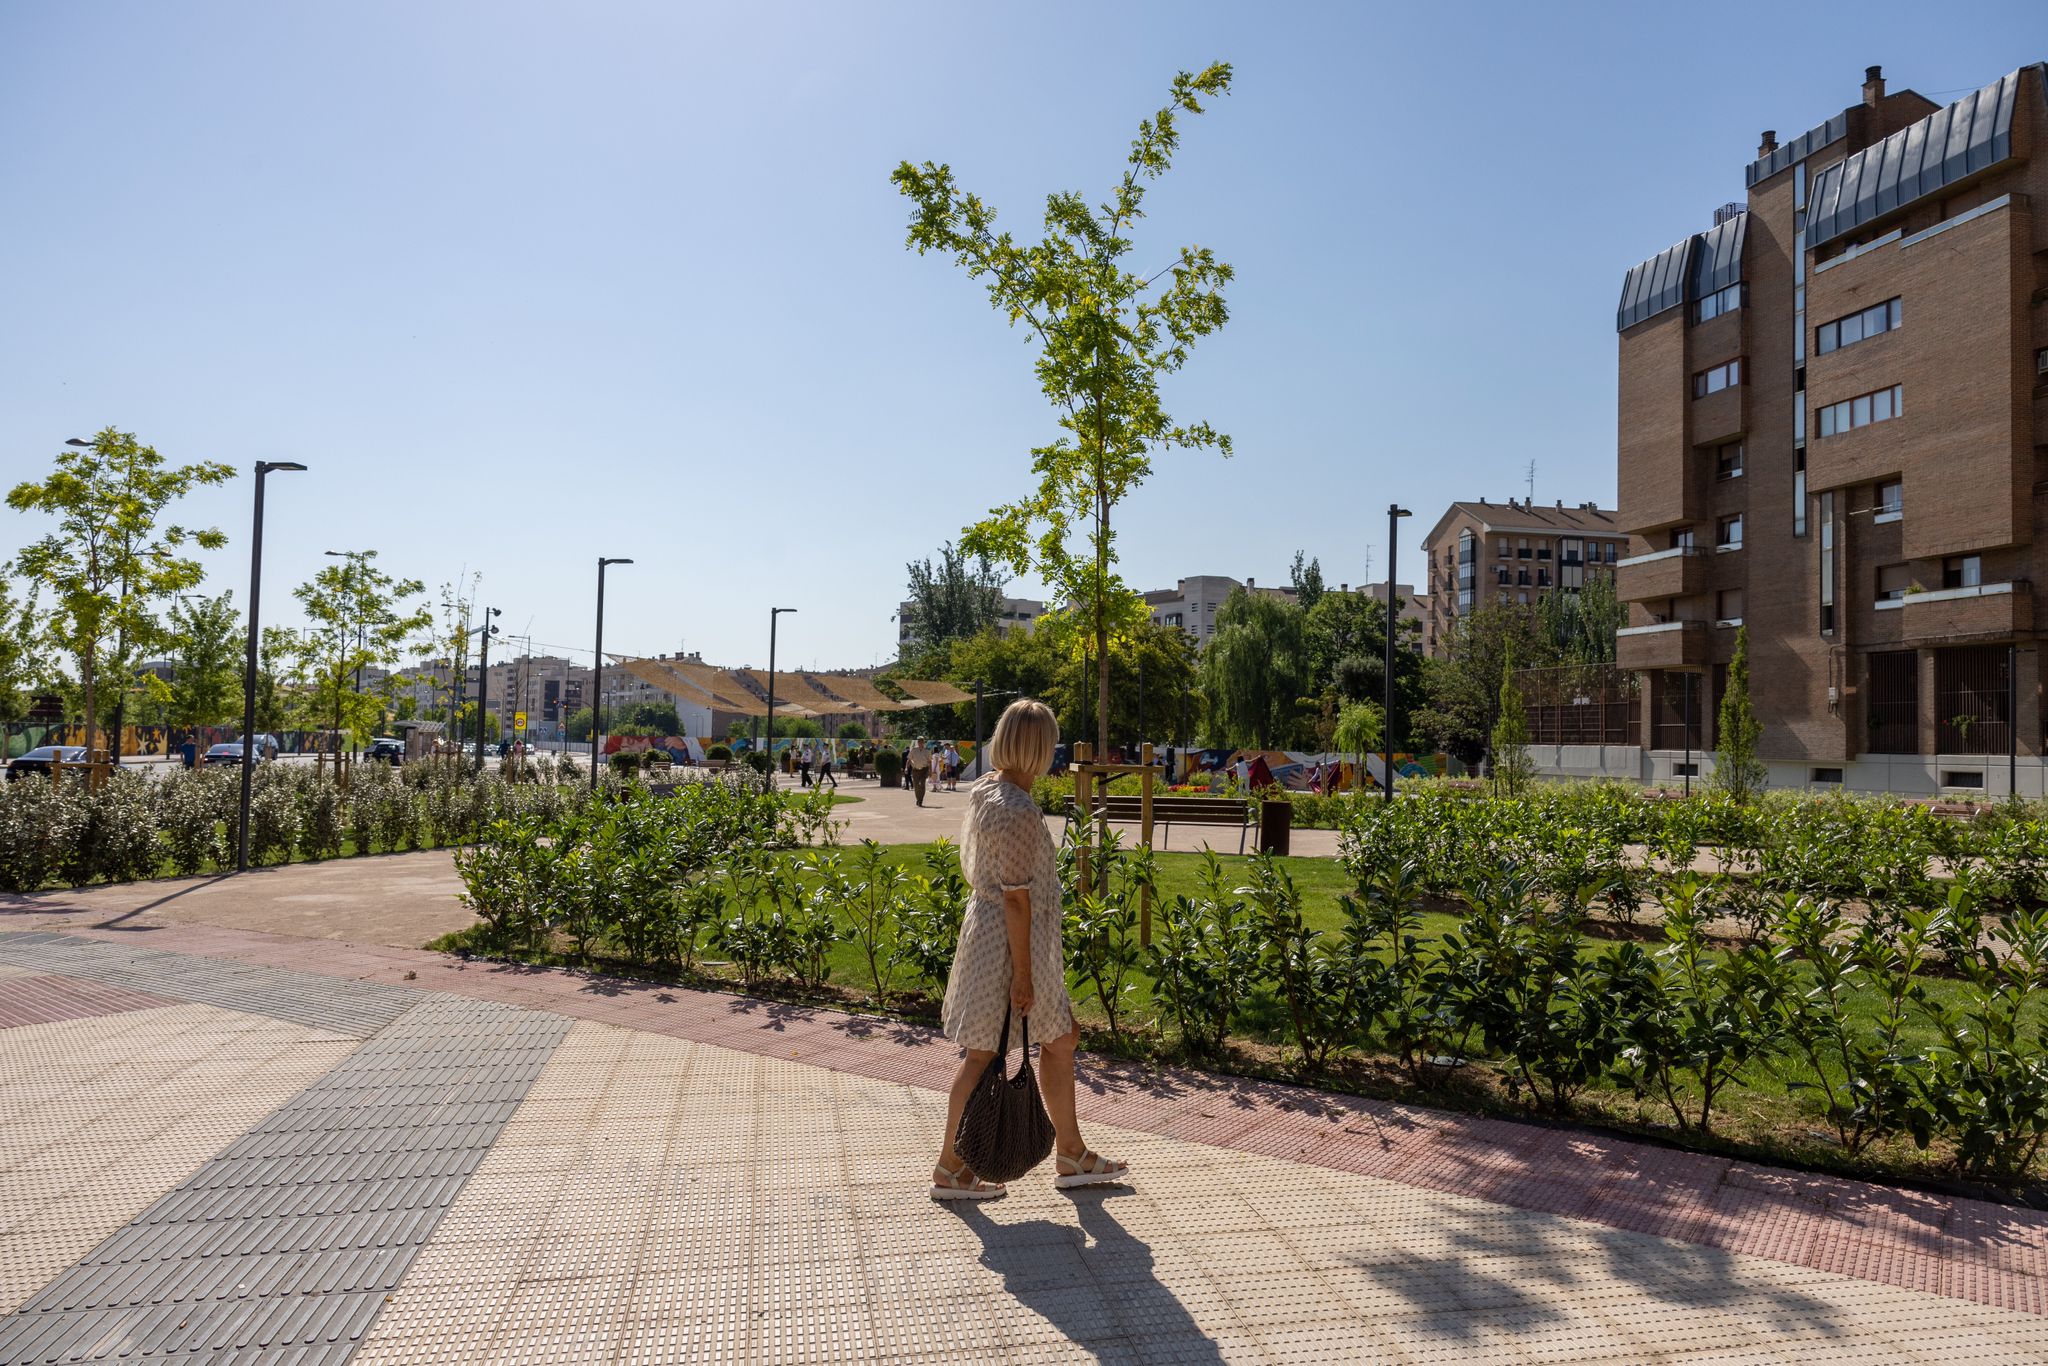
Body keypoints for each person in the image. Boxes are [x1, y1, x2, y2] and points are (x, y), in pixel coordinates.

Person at [930, 698, 1130, 1201]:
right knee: (982, 1054)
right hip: (1011, 948)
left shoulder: (988, 789)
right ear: (1041, 749)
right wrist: (1024, 977)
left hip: (998, 937)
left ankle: (1071, 1153)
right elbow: (1017, 900)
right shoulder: (1016, 809)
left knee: (1060, 1039)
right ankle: (952, 1166)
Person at [907, 738, 932, 806]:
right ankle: (918, 799)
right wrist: (906, 768)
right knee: (916, 785)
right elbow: (909, 759)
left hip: (924, 770)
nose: (920, 743)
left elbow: (929, 762)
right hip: (915, 770)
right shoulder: (914, 750)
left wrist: (930, 771)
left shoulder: (927, 751)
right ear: (917, 743)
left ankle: (920, 800)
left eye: (922, 742)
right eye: (919, 742)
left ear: (924, 743)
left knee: (922, 785)